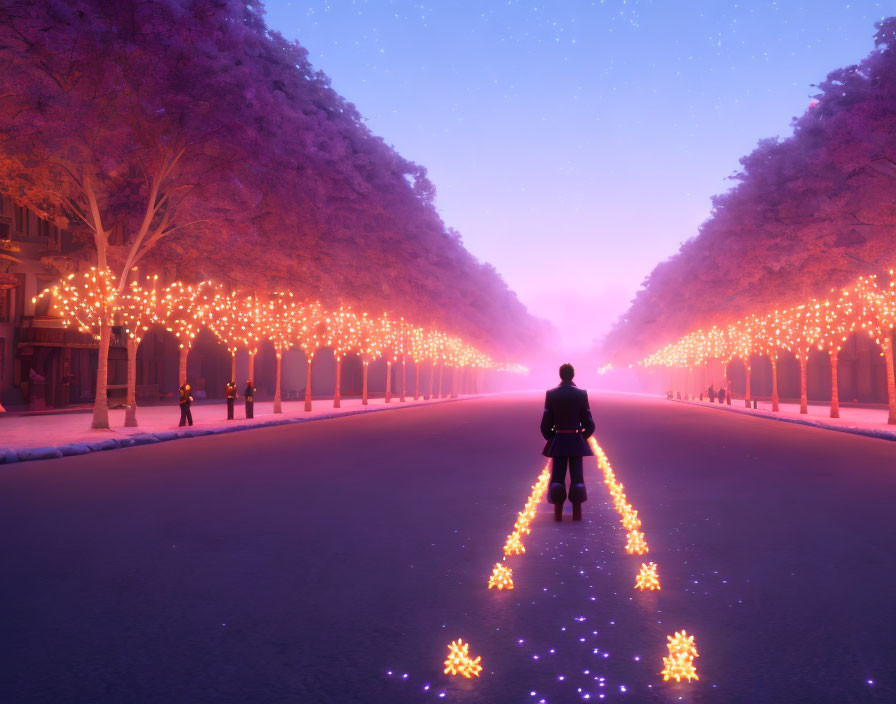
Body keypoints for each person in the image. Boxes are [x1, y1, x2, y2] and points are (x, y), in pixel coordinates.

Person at [540, 363, 596, 522]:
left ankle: (558, 514)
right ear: (573, 375)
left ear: (560, 375)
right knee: (577, 478)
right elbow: (590, 425)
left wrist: (552, 438)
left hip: (559, 441)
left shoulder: (551, 394)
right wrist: (581, 437)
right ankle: (577, 514)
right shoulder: (581, 394)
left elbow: (545, 424)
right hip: (576, 442)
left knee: (557, 477)